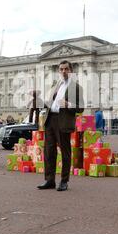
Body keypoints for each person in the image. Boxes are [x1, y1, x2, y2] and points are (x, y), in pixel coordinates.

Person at [37, 60, 84, 192]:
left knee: (65, 152)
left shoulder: (77, 87)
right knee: (48, 151)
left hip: (63, 121)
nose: (63, 71)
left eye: (66, 69)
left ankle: (64, 181)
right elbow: (50, 102)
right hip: (50, 119)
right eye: (61, 69)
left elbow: (81, 108)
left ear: (71, 71)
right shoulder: (55, 84)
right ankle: (49, 180)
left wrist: (68, 104)